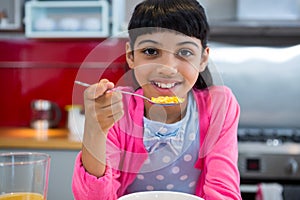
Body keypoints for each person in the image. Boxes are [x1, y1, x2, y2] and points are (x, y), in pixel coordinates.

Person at [72, 0, 242, 199]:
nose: (167, 68)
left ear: (203, 59)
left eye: (185, 52)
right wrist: (95, 130)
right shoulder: (116, 106)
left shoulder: (219, 105)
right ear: (131, 56)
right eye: (151, 52)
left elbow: (224, 193)